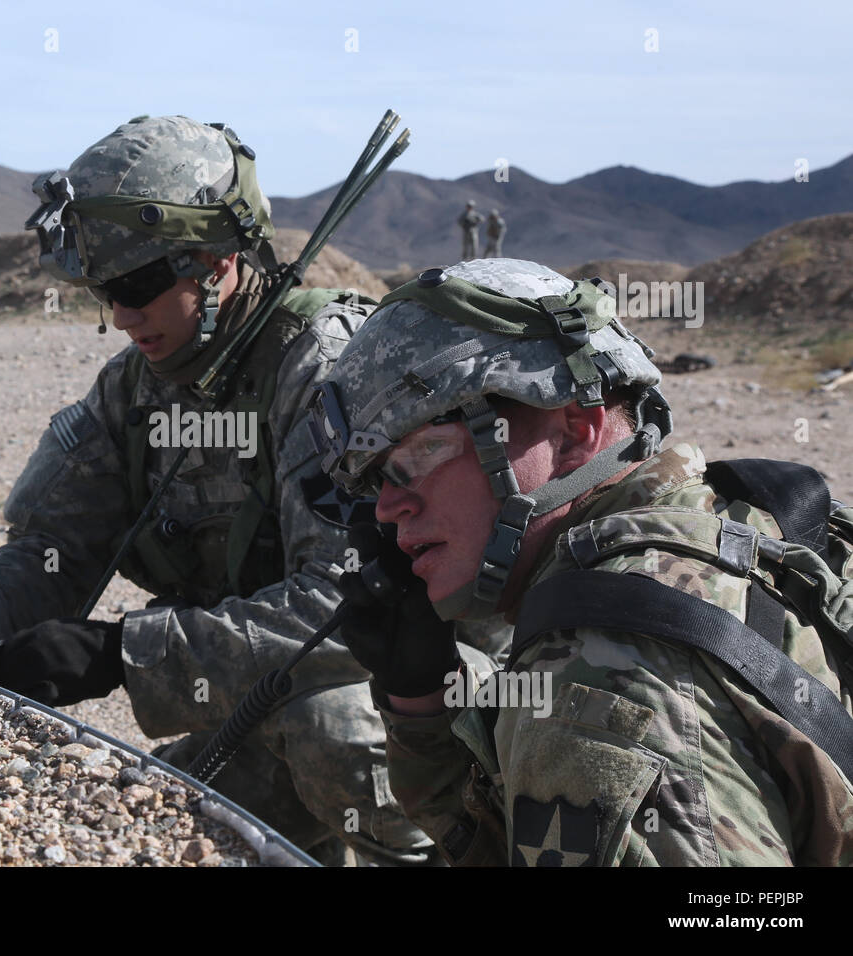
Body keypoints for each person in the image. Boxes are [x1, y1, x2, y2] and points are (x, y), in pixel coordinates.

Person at [0, 115, 479, 863]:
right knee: (148, 835)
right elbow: (59, 547)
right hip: (258, 703)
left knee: (331, 728)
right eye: (104, 289)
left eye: (141, 284)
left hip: (419, 704)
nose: (122, 314)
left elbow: (340, 611)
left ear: (216, 262)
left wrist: (120, 655)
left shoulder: (327, 374)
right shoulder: (136, 390)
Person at [310, 257, 853, 865]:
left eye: (422, 452)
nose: (387, 508)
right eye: (380, 476)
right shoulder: (733, 521)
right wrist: (422, 704)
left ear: (573, 430)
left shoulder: (597, 679)